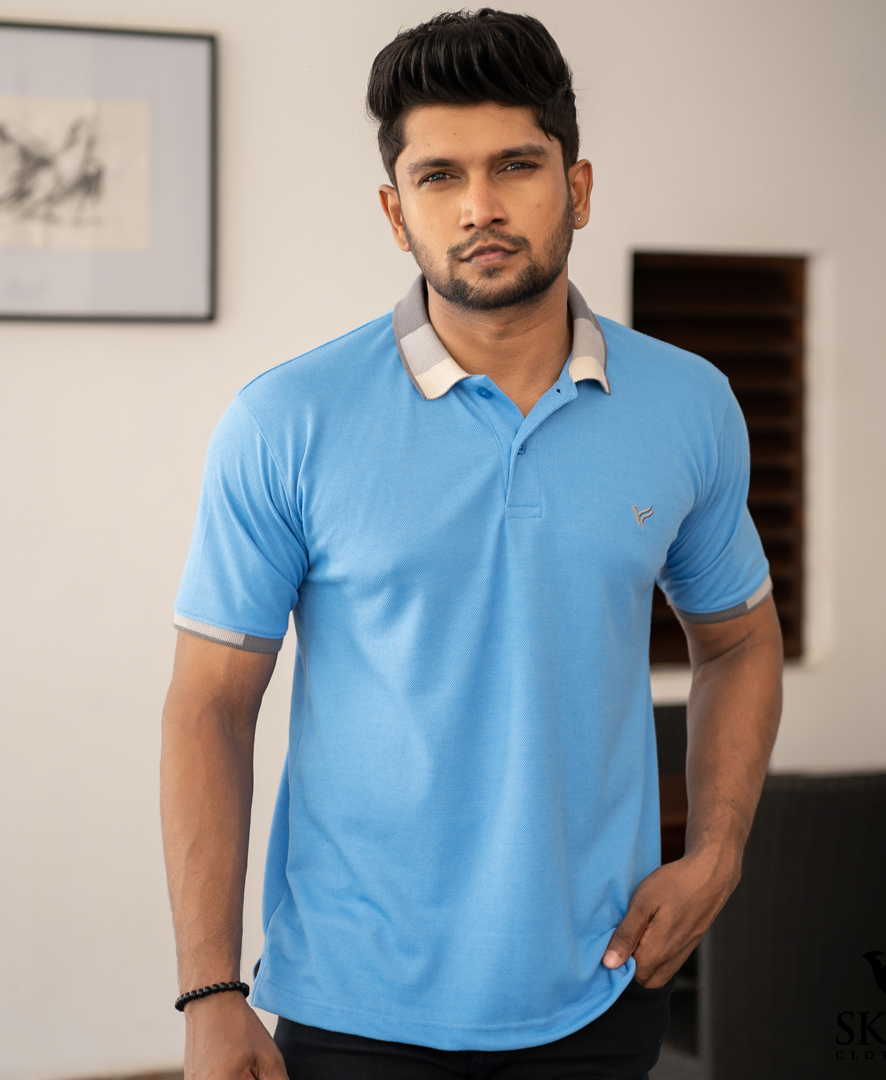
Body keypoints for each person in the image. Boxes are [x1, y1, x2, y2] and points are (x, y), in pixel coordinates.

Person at [160, 9, 783, 1080]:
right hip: (352, 1002)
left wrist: (718, 851)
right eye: (440, 176)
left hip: (603, 982)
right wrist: (211, 991)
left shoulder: (689, 405)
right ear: (395, 211)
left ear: (577, 188)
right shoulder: (287, 421)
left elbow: (738, 641)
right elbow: (209, 707)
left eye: (516, 167)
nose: (480, 207)